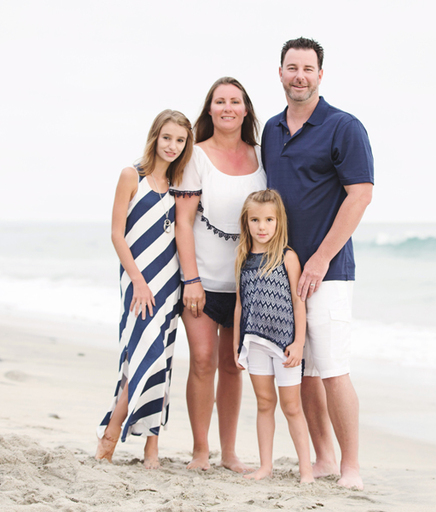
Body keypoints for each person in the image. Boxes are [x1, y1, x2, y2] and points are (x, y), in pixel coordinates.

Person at [261, 37, 374, 490]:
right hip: (282, 270)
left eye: (308, 69)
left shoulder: (344, 127)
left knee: (332, 368)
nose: (299, 76)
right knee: (302, 367)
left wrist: (321, 259)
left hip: (327, 272)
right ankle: (323, 457)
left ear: (321, 75)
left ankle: (351, 466)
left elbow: (360, 194)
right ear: (281, 73)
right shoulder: (270, 129)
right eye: (292, 68)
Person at [171, 77, 266, 472]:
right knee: (203, 361)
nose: (228, 107)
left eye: (235, 101)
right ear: (210, 110)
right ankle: (199, 451)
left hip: (245, 285)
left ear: (246, 110)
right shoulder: (195, 155)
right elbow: (183, 221)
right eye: (219, 101)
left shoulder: (263, 156)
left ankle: (229, 453)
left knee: (232, 366)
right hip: (203, 282)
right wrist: (190, 279)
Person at [95, 109, 194, 468]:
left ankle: (151, 448)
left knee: (161, 361)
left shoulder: (181, 186)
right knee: (139, 357)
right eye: (167, 137)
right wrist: (137, 280)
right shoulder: (131, 175)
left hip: (170, 284)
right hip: (137, 282)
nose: (172, 145)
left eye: (180, 140)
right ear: (155, 136)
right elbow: (116, 234)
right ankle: (109, 436)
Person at [233, 189, 313, 484]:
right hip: (254, 343)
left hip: (284, 345)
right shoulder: (242, 257)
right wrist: (236, 344)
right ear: (247, 222)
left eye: (269, 220)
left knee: (292, 407)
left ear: (279, 222)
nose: (262, 227)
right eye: (255, 220)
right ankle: (265, 466)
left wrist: (299, 343)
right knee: (264, 403)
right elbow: (240, 304)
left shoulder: (287, 257)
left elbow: (298, 302)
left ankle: (306, 471)